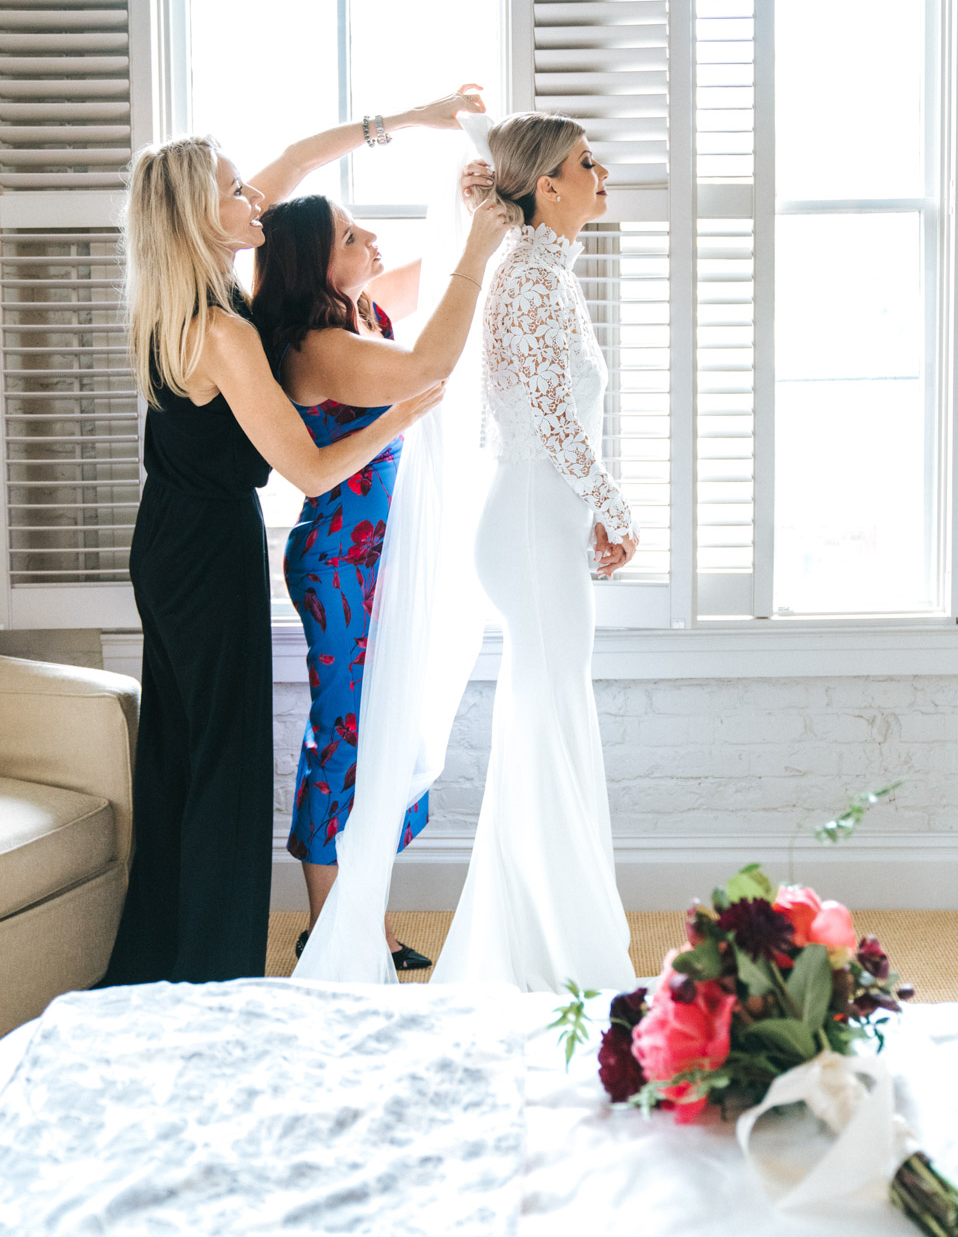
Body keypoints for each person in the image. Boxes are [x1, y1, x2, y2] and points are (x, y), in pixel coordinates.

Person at [101, 89, 483, 987]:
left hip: (171, 538)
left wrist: (414, 119)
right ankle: (208, 967)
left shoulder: (173, 300)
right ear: (202, 215)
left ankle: (176, 950)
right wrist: (406, 412)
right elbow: (309, 475)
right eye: (237, 193)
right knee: (224, 760)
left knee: (184, 750)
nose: (255, 204)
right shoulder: (224, 330)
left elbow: (301, 159)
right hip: (203, 550)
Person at [250, 168, 507, 968]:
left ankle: (364, 915)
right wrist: (478, 238)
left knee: (382, 726)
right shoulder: (322, 348)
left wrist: (463, 207)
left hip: (382, 559)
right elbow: (432, 358)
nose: (370, 242)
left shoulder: (355, 311)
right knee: (345, 737)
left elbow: (439, 282)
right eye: (351, 238)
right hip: (343, 565)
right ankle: (333, 929)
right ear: (315, 266)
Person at [432, 112, 639, 991]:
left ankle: (539, 940)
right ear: (547, 186)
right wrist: (614, 506)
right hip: (527, 527)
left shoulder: (544, 270)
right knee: (550, 723)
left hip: (541, 523)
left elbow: (553, 412)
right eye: (585, 162)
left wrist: (587, 507)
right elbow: (553, 419)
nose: (603, 173)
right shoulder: (529, 277)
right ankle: (561, 956)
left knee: (546, 725)